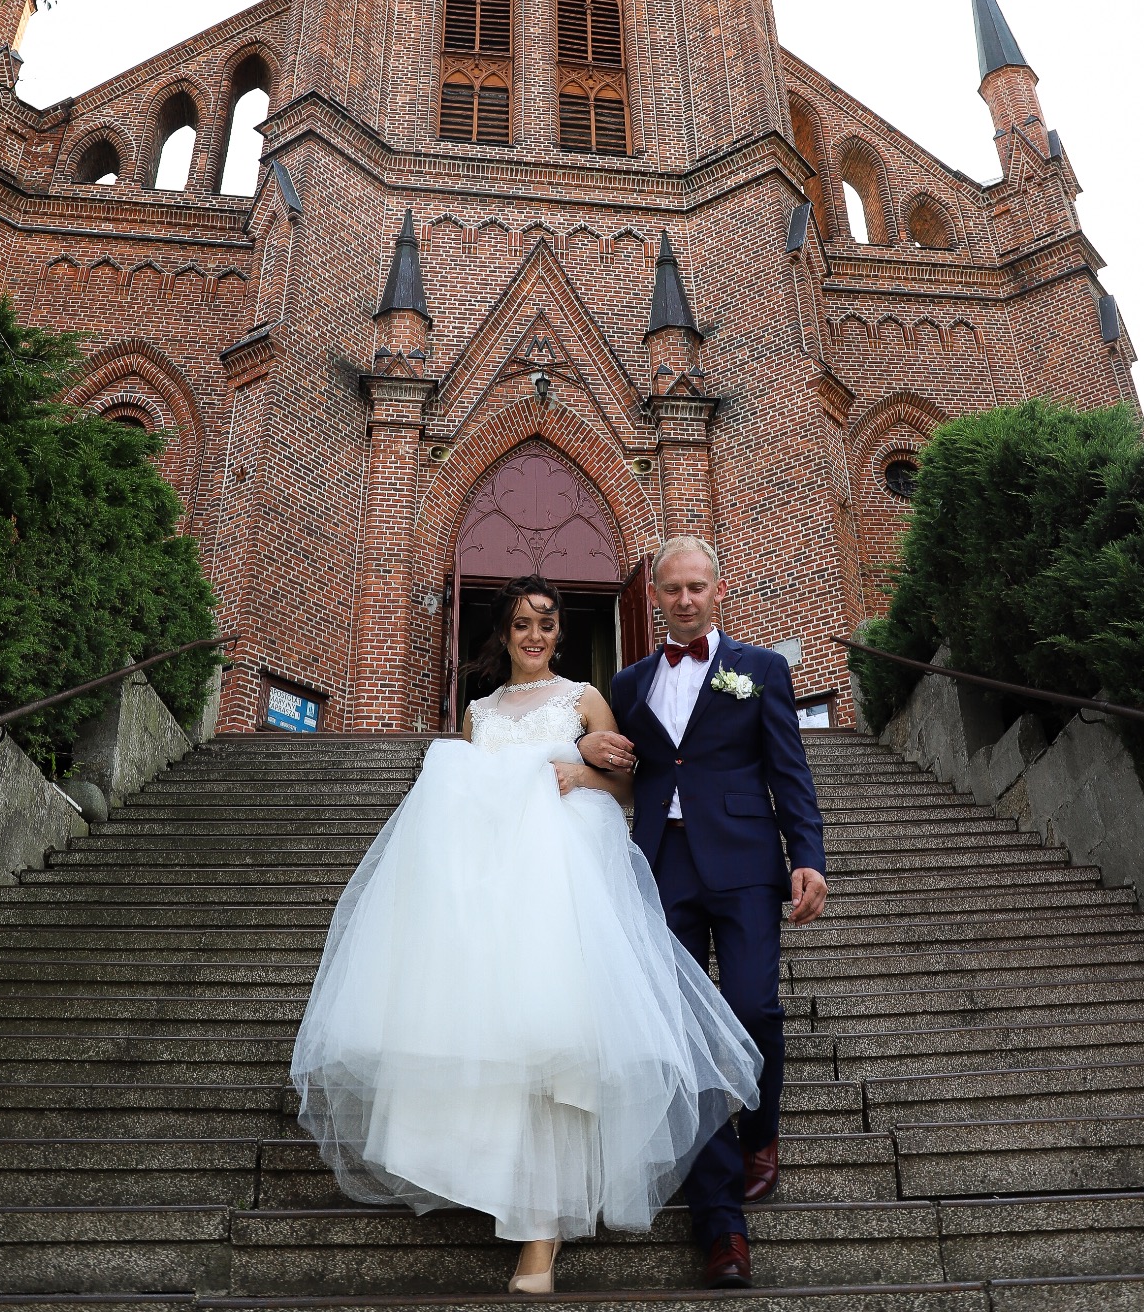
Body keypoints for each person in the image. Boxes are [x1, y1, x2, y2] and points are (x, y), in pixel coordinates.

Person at [291, 573, 762, 1297]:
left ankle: (540, 1242)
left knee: (557, 1046)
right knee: (491, 1044)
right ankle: (492, 1182)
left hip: (563, 885)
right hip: (490, 889)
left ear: (559, 633)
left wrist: (579, 771)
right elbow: (459, 806)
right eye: (520, 625)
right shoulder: (477, 714)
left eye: (545, 623)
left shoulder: (585, 698)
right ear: (503, 635)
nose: (534, 636)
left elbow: (632, 789)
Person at [579, 536, 827, 1290]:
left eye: (697, 587)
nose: (684, 599)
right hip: (663, 866)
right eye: (672, 588)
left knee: (753, 1007)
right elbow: (621, 764)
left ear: (720, 590)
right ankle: (719, 1220)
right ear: (653, 594)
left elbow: (790, 767)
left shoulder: (762, 670)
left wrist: (807, 856)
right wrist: (590, 753)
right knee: (678, 1033)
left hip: (747, 862)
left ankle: (761, 1133)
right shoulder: (627, 682)